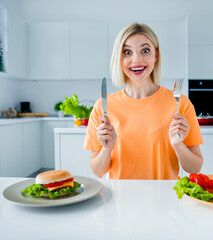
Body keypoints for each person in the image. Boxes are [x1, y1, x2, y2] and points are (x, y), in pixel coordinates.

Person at [84, 23, 204, 179]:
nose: (136, 59)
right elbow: (98, 171)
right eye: (127, 52)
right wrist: (107, 149)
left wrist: (178, 145)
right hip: (120, 200)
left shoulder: (180, 103)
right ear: (119, 59)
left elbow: (194, 168)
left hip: (166, 200)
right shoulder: (103, 106)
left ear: (156, 55)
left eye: (145, 50)